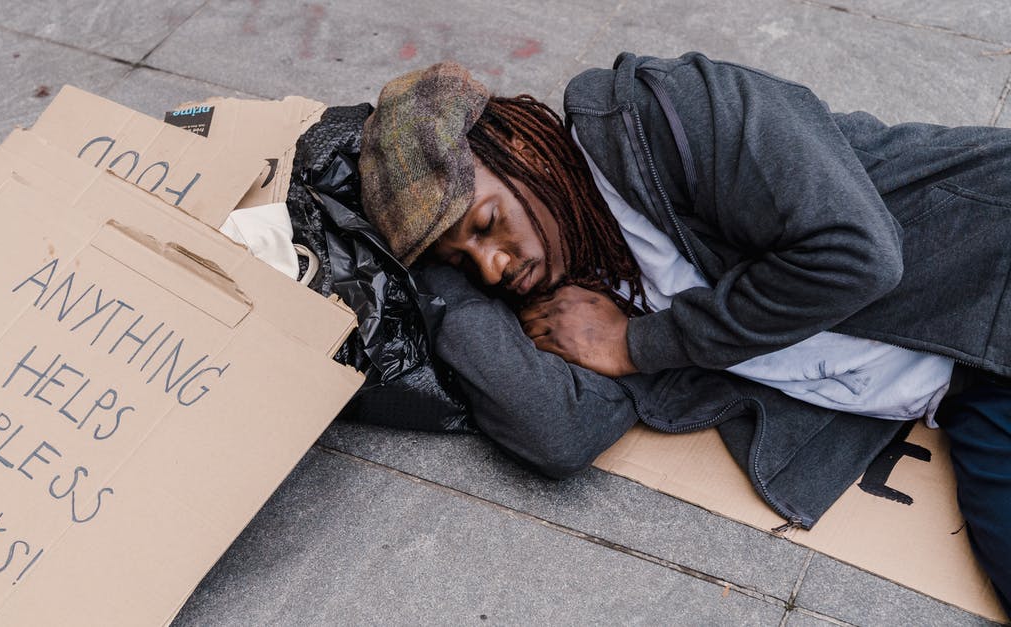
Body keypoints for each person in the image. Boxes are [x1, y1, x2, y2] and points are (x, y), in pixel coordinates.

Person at [357, 55, 1011, 611]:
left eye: (485, 222)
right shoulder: (584, 285)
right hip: (964, 389)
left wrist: (636, 345)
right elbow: (556, 429)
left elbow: (860, 256)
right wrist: (423, 274)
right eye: (466, 262)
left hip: (991, 262)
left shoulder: (667, 113)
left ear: (524, 150)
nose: (493, 265)